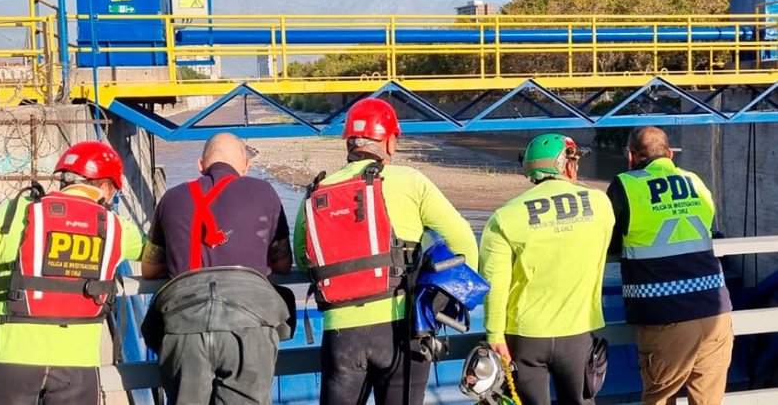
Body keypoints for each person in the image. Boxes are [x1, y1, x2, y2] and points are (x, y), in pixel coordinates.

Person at [294, 98, 478, 405]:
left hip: (341, 335)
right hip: (402, 329)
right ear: (390, 141)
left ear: (349, 142)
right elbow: (463, 242)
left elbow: (304, 259)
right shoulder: (409, 180)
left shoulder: (317, 191)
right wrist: (439, 304)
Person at [0, 141, 145, 405]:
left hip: (9, 356)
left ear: (64, 180)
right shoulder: (117, 227)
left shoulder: (15, 212)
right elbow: (157, 256)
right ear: (106, 187)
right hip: (79, 363)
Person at [140, 132, 292, 405]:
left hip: (183, 325)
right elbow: (282, 263)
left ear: (201, 165)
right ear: (245, 166)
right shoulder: (264, 192)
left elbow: (149, 269)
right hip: (248, 326)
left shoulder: (171, 198)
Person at [480, 133, 614, 405]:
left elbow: (494, 285)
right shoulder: (600, 205)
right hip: (579, 331)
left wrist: (494, 335)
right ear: (566, 165)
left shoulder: (504, 217)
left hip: (525, 336)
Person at [607, 126, 733, 405]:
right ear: (670, 153)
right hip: (716, 312)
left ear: (631, 156)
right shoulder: (696, 181)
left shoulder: (626, 185)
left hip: (667, 317)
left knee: (660, 398)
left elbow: (610, 244)